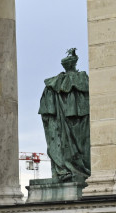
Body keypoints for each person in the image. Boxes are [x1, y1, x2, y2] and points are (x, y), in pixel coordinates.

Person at [39, 48, 91, 182]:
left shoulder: (54, 84)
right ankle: (73, 170)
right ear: (74, 64)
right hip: (75, 122)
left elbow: (46, 114)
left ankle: (69, 170)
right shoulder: (82, 80)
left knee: (70, 143)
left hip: (66, 122)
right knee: (77, 143)